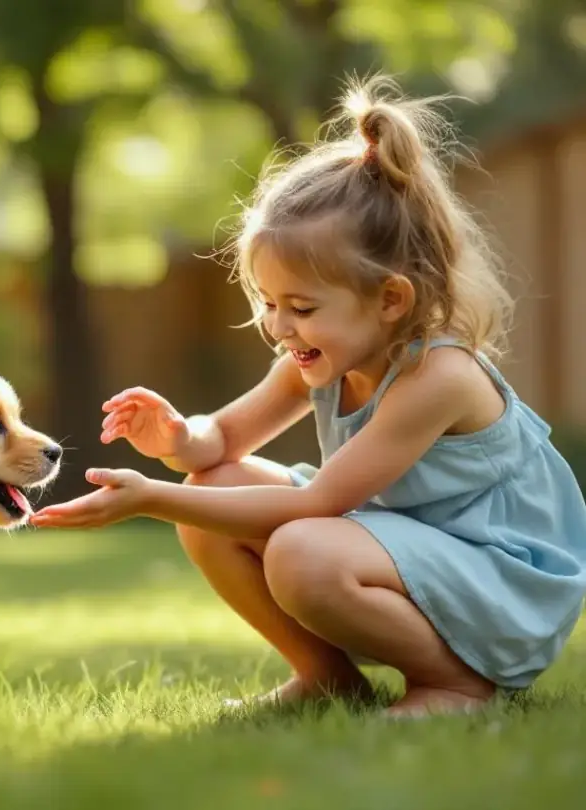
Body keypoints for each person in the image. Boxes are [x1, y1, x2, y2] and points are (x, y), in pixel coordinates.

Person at [29, 76, 586, 718]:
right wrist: (179, 438)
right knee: (212, 487)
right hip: (410, 552)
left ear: (390, 299)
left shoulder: (439, 376)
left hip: (502, 585)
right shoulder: (316, 362)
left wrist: (151, 498)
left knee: (300, 548)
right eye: (269, 303)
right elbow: (221, 442)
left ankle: (458, 687)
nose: (278, 326)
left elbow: (320, 504)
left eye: (301, 307)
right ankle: (326, 678)